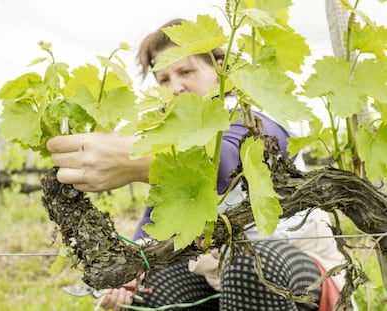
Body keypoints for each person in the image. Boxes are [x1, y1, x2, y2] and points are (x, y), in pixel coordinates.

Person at [47, 19, 346, 311]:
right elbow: (157, 218)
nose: (175, 87)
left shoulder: (253, 117)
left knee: (249, 266)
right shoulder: (174, 138)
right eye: (163, 79)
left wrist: (135, 159)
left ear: (218, 71)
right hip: (219, 275)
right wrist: (129, 276)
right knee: (154, 284)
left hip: (302, 270)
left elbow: (225, 159)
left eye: (185, 71)